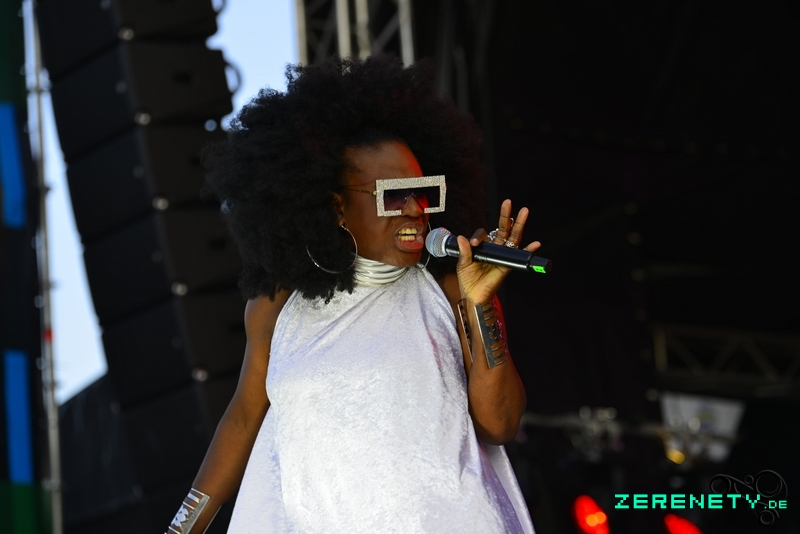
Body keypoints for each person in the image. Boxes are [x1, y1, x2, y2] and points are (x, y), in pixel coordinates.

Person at [166, 55, 540, 534]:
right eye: (394, 195)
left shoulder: (450, 290)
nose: (415, 209)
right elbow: (241, 421)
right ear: (337, 208)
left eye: (423, 193)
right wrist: (180, 529)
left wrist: (482, 306)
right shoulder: (277, 307)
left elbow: (500, 426)